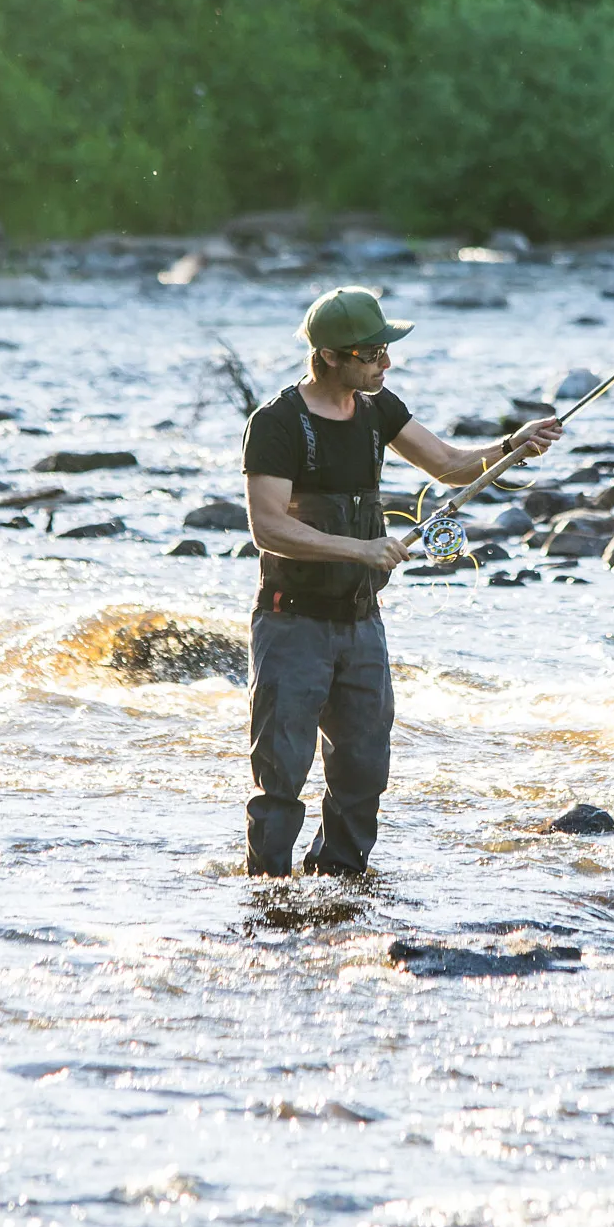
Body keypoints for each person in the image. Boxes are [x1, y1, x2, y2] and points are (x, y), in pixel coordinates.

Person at [240, 286, 563, 877]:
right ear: (332, 356)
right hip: (292, 625)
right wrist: (359, 548)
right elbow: (268, 527)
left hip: (362, 627)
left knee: (363, 772)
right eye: (373, 354)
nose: (385, 364)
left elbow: (448, 465)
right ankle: (268, 896)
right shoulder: (277, 423)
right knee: (281, 776)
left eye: (386, 351)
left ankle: (342, 890)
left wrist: (512, 446)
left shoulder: (378, 407)